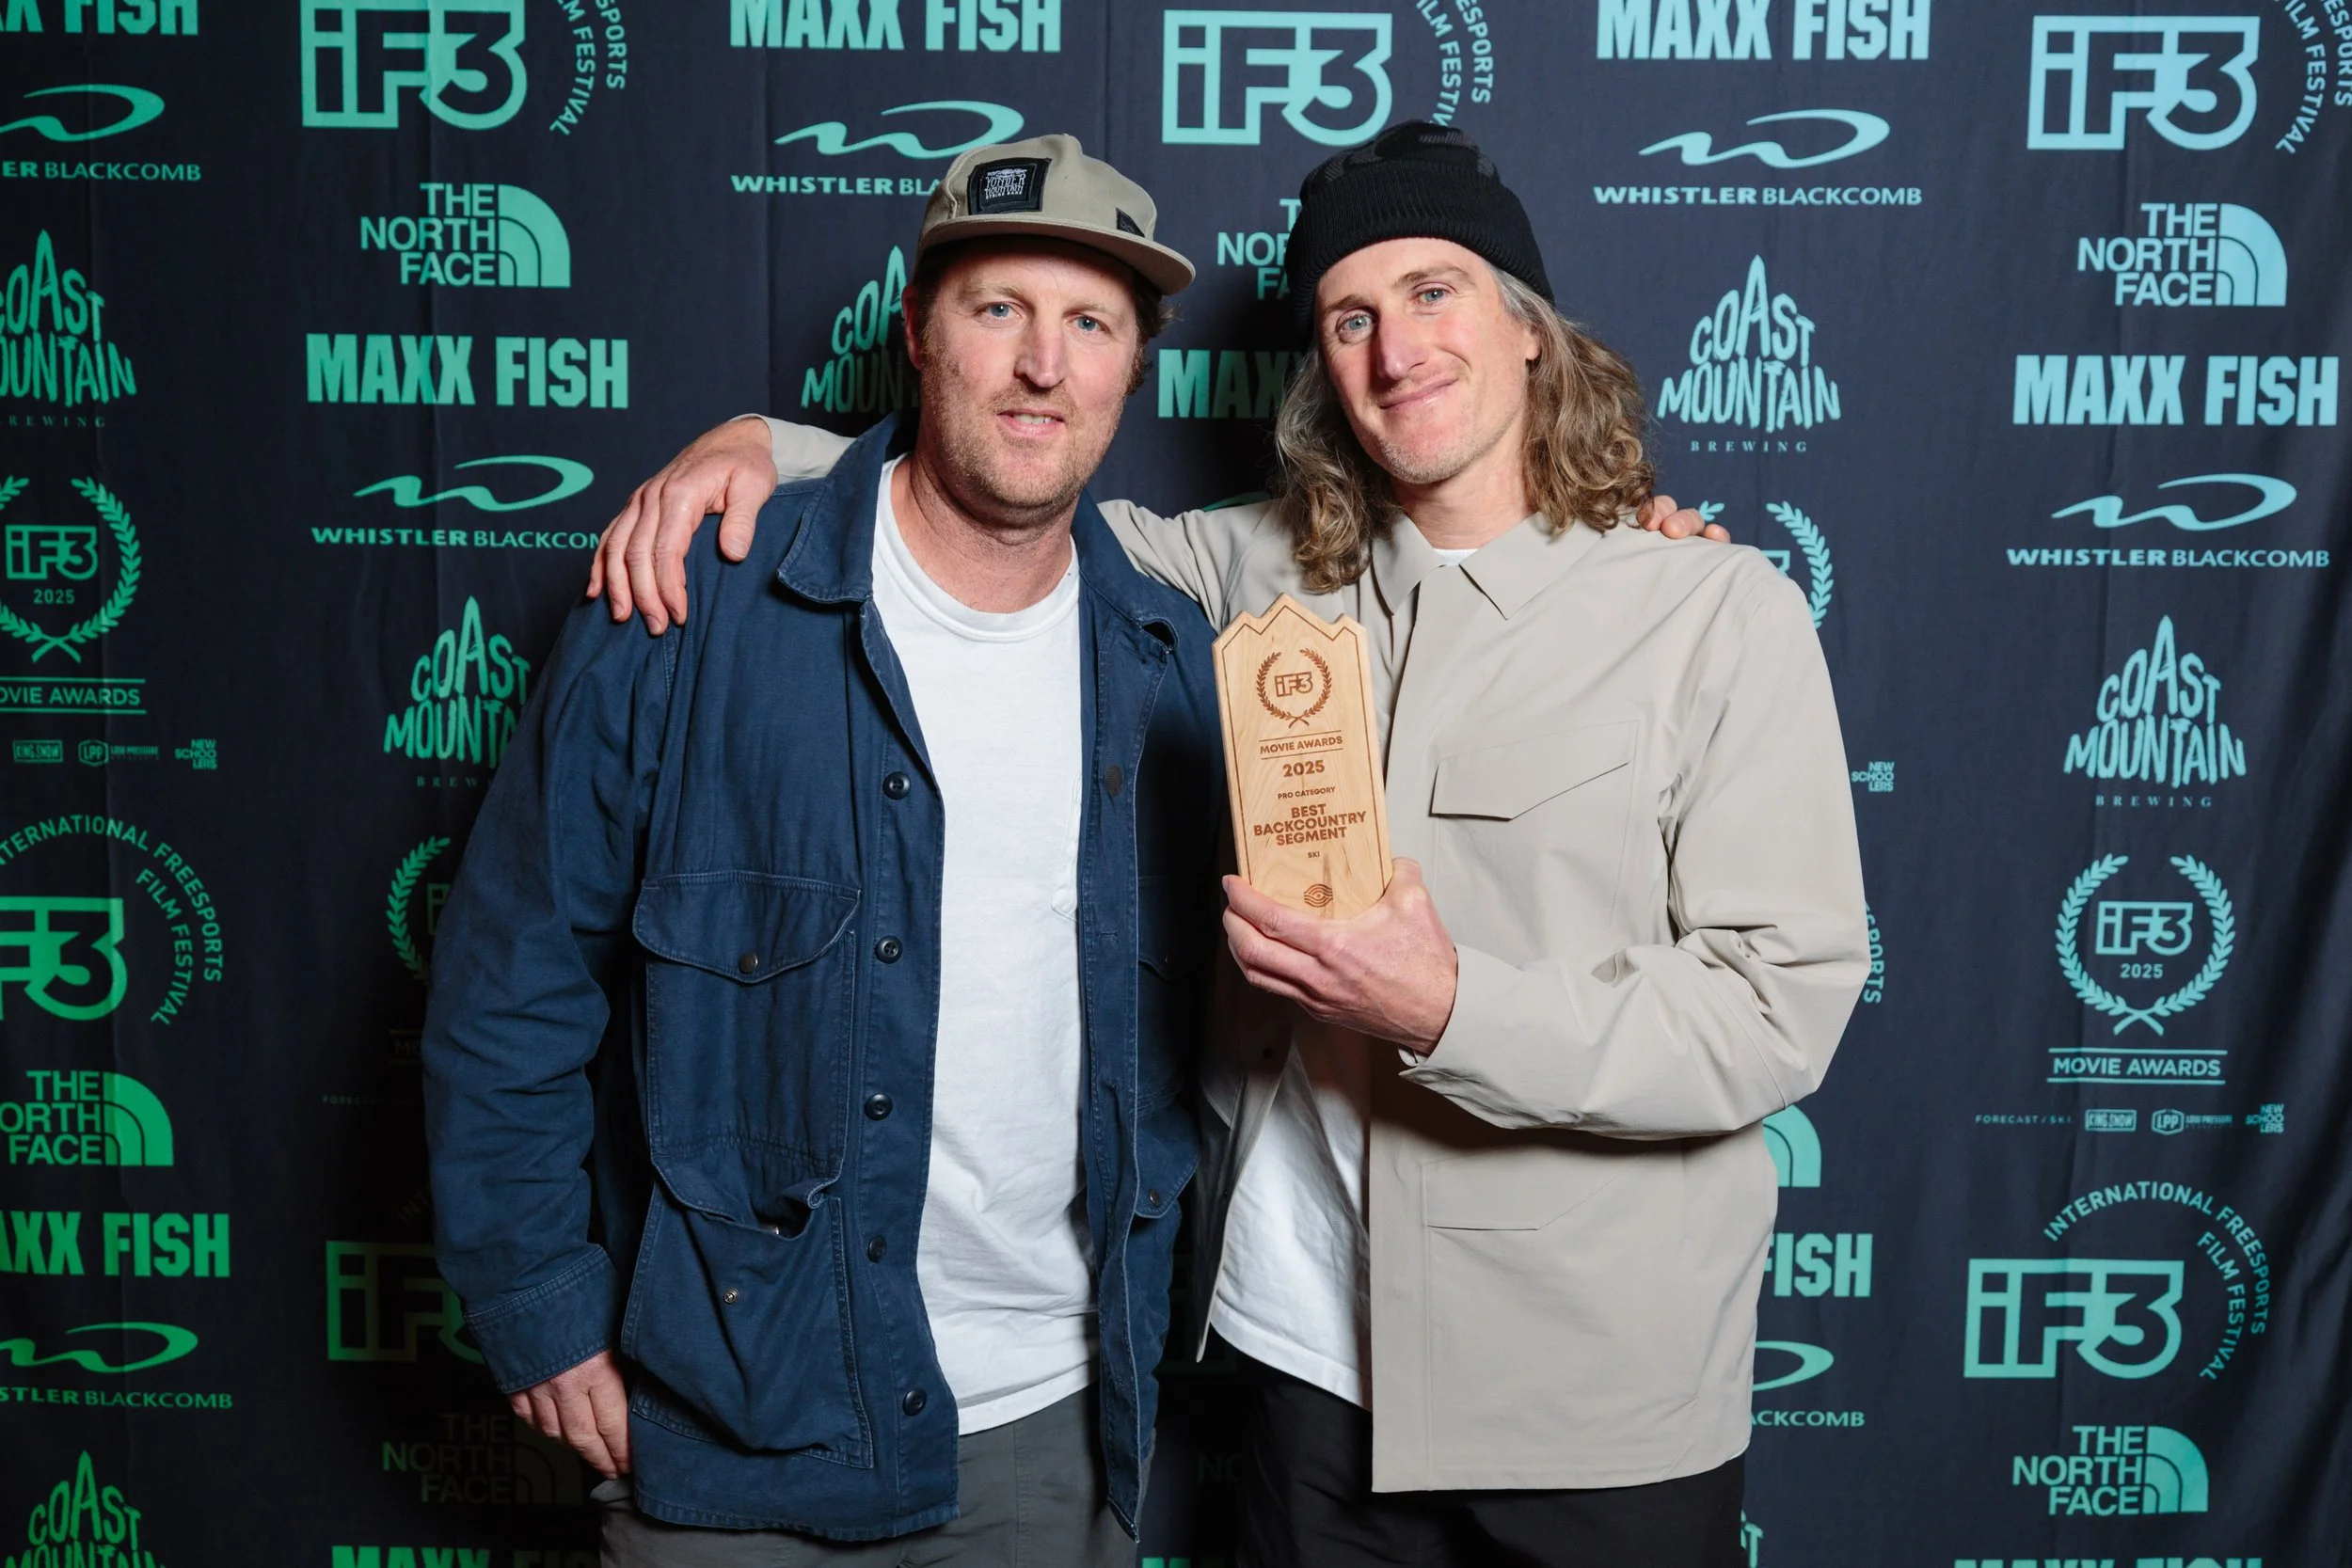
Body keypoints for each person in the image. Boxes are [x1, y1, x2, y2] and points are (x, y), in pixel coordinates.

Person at [594, 122, 1867, 1568]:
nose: (1398, 350)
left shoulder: (1713, 611)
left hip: (1592, 1407)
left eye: (1437, 292)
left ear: (1528, 329)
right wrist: (753, 447)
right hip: (1297, 1375)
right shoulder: (1247, 569)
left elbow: (1778, 1002)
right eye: (1351, 317)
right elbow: (990, 499)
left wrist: (1452, 1010)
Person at [421, 135, 1229, 1566]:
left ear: (1136, 362)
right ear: (918, 331)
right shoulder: (688, 606)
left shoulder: (1174, 663)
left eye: (1090, 323)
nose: (1045, 364)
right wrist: (537, 1305)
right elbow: (513, 978)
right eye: (999, 311)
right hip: (727, 1436)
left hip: (1049, 1433)